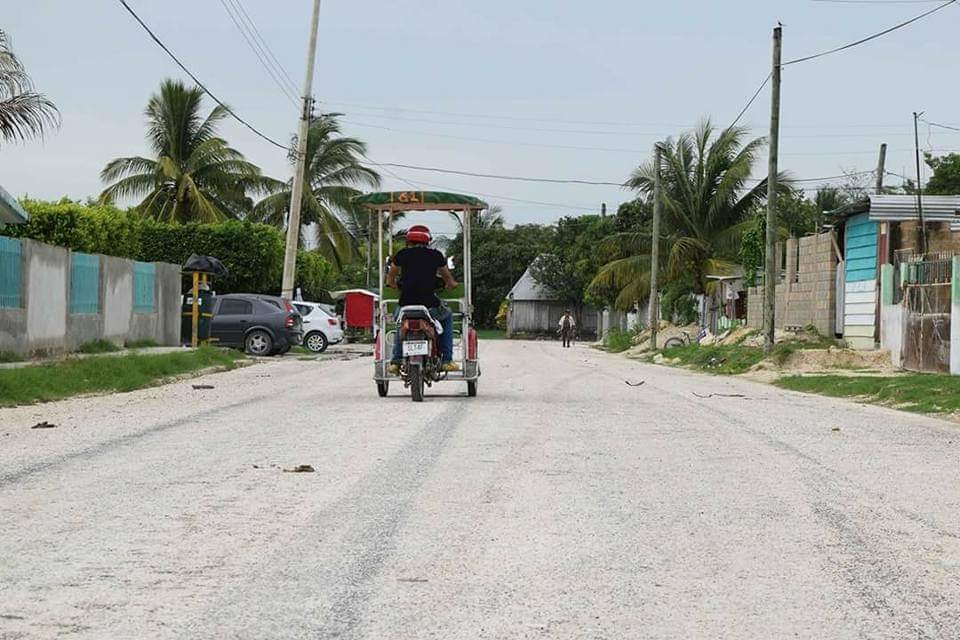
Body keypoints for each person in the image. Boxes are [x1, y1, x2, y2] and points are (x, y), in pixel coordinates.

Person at [386, 224, 459, 374]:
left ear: (408, 241)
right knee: (447, 316)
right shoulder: (436, 255)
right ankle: (446, 360)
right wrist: (451, 284)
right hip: (429, 306)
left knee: (400, 325)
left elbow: (390, 277)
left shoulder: (401, 255)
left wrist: (393, 285)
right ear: (427, 241)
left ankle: (395, 361)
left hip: (405, 305)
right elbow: (448, 279)